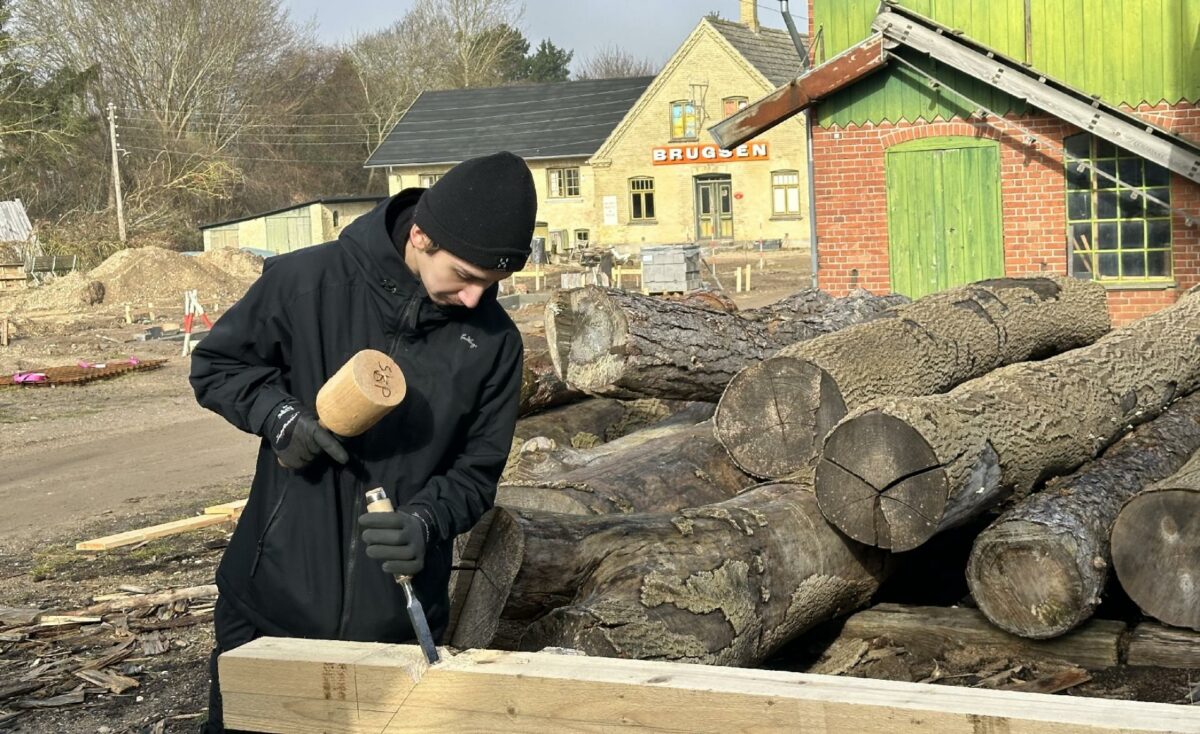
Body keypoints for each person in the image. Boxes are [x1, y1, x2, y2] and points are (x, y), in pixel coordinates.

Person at [189, 151, 536, 732]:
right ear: (421, 235)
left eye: (494, 283)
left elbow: (477, 472)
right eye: (467, 276)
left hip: (397, 625)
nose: (477, 298)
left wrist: (424, 523)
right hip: (272, 605)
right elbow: (217, 366)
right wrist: (279, 418)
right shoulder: (306, 283)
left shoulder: (494, 344)